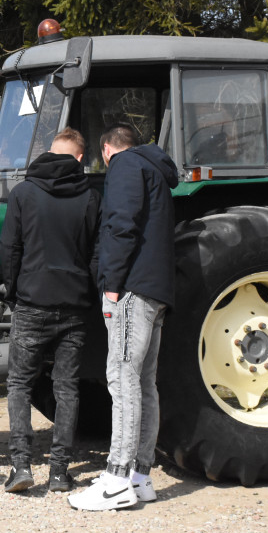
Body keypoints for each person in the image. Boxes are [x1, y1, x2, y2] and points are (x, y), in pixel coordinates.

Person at [68, 123, 178, 511]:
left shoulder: (126, 167)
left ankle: (116, 480)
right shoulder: (156, 171)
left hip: (132, 288)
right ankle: (140, 477)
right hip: (158, 289)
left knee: (122, 378)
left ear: (107, 151)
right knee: (144, 382)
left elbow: (121, 226)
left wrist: (111, 284)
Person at [0, 128, 100, 494]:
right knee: (67, 388)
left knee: (19, 384)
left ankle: (21, 466)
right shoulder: (89, 197)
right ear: (78, 158)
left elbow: (9, 247)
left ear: (50, 153)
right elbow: (94, 255)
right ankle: (59, 472)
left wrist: (14, 290)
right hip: (73, 306)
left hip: (32, 301)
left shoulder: (24, 193)